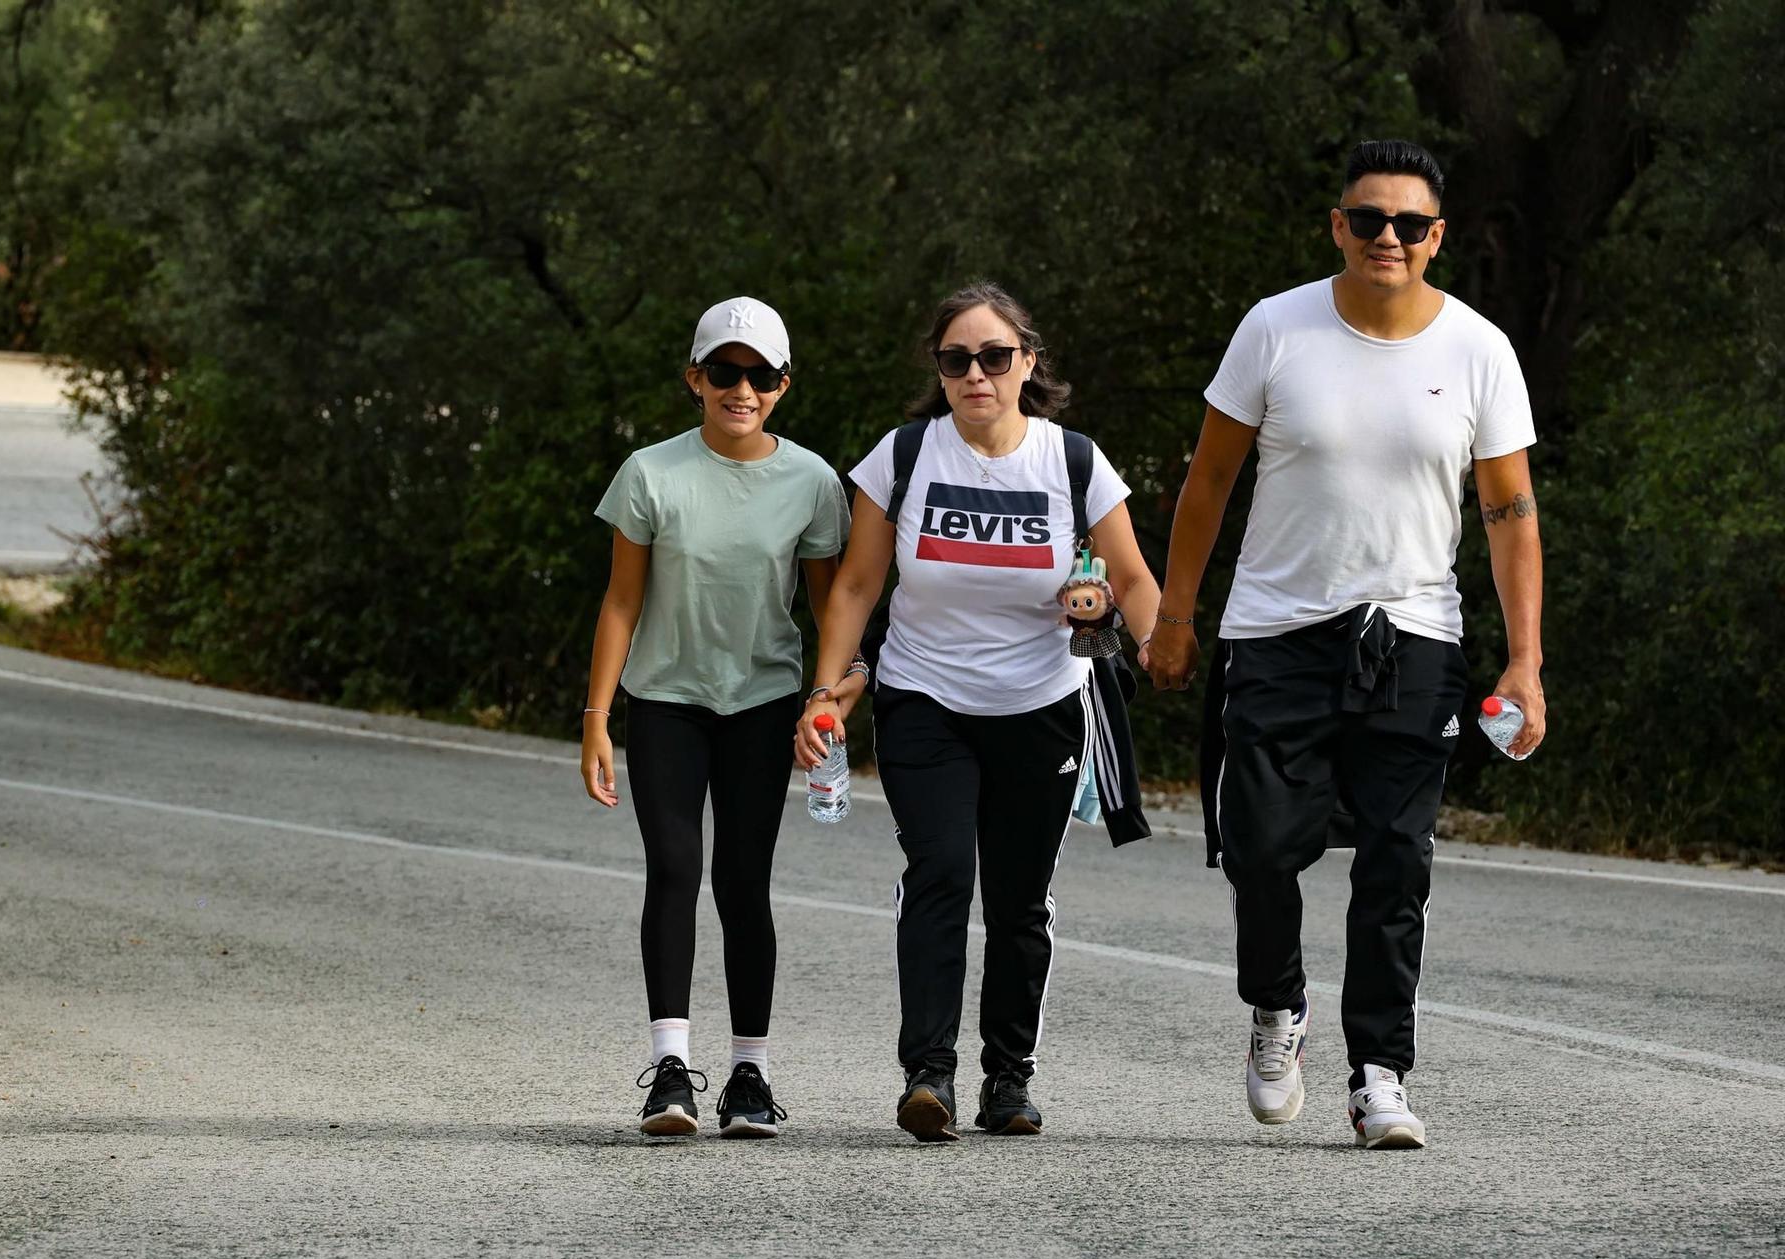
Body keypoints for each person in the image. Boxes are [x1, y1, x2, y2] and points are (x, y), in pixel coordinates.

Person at [1144, 140, 1547, 1149]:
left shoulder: (1477, 350)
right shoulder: (1273, 329)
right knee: (1262, 846)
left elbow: (1508, 515)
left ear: (1435, 239)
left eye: (1408, 225)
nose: (1386, 239)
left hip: (1412, 635)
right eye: (1367, 220)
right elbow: (1206, 482)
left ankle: (1379, 1071)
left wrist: (1523, 658)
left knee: (1395, 860)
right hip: (1276, 632)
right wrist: (1175, 613)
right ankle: (1276, 1007)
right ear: (1337, 226)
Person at [796, 283, 1161, 1142]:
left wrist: (1124, 623)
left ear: (1028, 363)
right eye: (957, 358)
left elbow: (1135, 582)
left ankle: (1009, 1076)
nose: (977, 373)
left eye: (995, 356)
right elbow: (856, 583)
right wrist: (825, 688)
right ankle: (929, 1074)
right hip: (926, 699)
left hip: (1041, 707)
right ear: (940, 370)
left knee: (1019, 896)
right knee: (941, 871)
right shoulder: (906, 454)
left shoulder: (1072, 462)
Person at [582, 296, 850, 1138]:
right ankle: (670, 1072)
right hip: (665, 700)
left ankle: (750, 1076)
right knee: (672, 867)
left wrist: (827, 702)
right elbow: (622, 601)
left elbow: (831, 612)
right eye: (726, 372)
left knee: (742, 883)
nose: (743, 389)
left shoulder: (811, 481)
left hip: (762, 706)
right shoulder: (651, 473)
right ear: (695, 378)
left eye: (761, 375)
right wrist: (597, 715)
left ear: (782, 386)